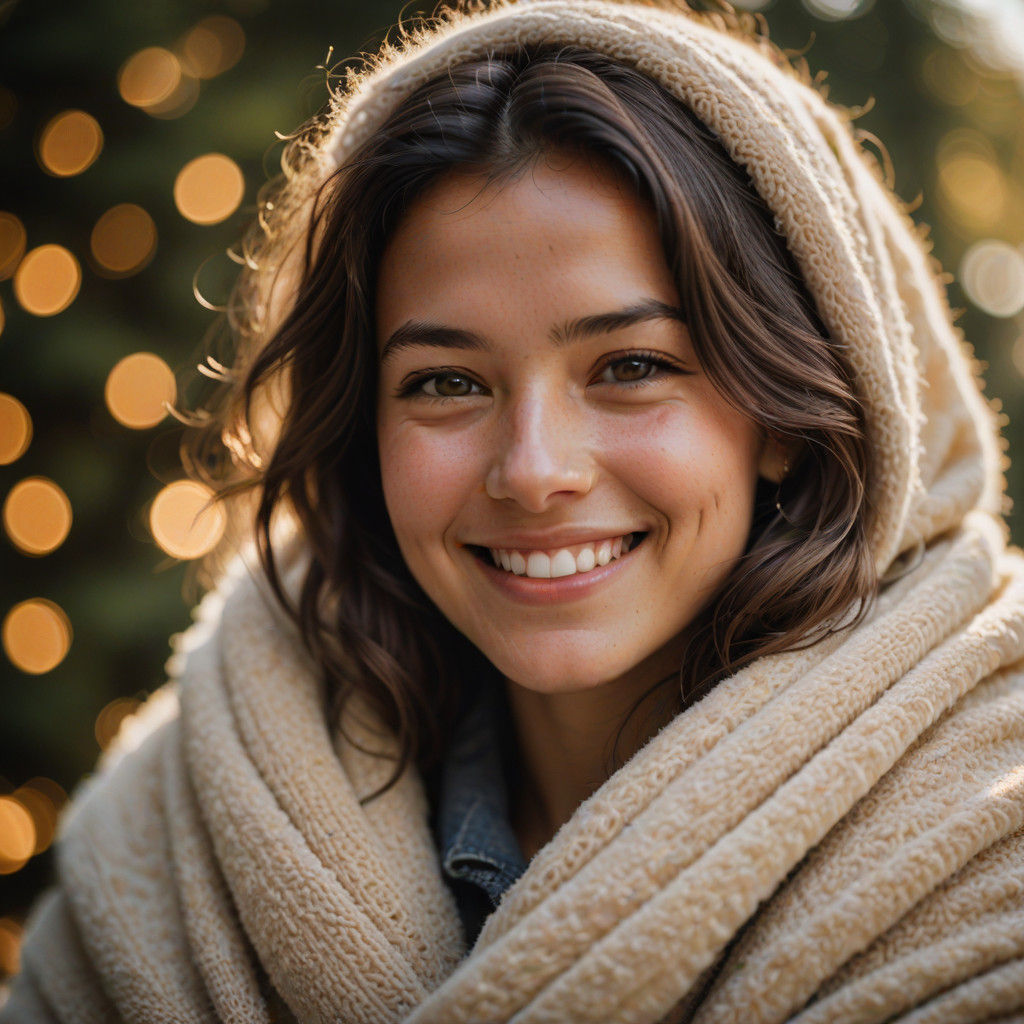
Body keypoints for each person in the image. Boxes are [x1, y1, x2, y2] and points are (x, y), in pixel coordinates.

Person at [4, 1, 1024, 1021]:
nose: (533, 471)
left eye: (630, 366)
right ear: (364, 423)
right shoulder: (177, 820)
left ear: (787, 412)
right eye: (445, 383)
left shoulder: (992, 830)